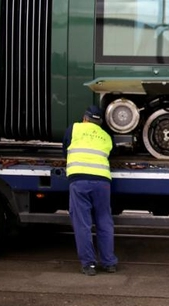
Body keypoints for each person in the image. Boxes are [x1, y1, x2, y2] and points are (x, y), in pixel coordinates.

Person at [63, 105, 118, 276]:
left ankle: (89, 265)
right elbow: (111, 154)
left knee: (83, 223)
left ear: (85, 118)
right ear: (100, 122)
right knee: (104, 221)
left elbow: (65, 150)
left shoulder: (74, 128)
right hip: (102, 181)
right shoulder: (106, 136)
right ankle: (109, 263)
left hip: (79, 180)